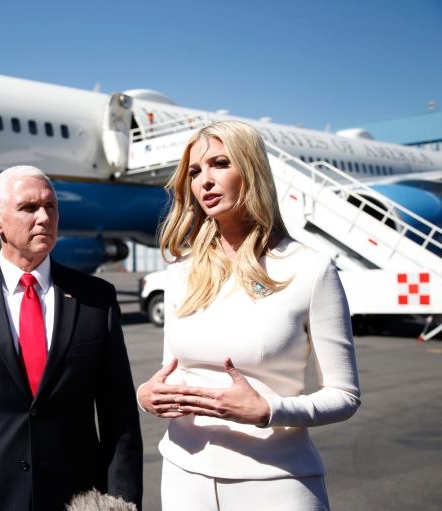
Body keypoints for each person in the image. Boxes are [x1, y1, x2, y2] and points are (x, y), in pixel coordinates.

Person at [137, 121, 360, 511]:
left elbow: (344, 395)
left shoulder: (310, 269)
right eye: (194, 172)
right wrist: (146, 395)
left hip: (276, 480)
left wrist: (269, 411)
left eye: (220, 164)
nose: (205, 181)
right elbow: (171, 373)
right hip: (182, 477)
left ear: (252, 170)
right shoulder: (180, 272)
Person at [0, 165, 143, 510]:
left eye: (51, 207)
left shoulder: (96, 298)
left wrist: (121, 503)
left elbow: (119, 418)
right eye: (29, 208)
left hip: (77, 498)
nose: (44, 217)